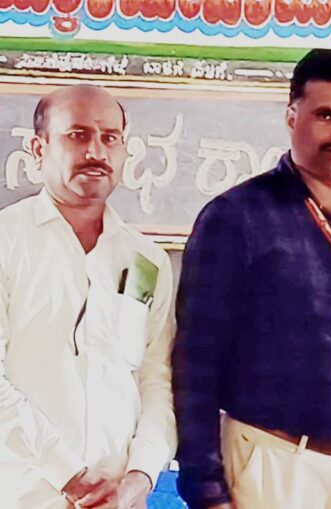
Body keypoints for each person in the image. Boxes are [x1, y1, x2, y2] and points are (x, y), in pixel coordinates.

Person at [173, 49, 331, 509]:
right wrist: (206, 490)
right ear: (291, 116)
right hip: (277, 467)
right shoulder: (236, 217)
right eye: (327, 115)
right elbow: (195, 361)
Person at [0, 85, 176, 508]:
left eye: (110, 137)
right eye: (77, 135)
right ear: (38, 149)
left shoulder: (145, 260)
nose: (96, 151)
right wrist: (69, 475)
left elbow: (157, 381)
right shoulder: (7, 241)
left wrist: (139, 478)